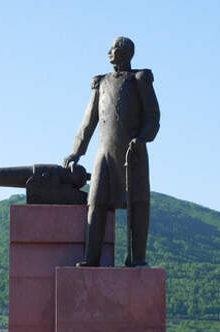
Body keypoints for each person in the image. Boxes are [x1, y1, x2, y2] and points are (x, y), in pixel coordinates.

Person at [63, 36, 160, 266]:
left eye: (113, 48)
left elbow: (153, 117)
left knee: (137, 206)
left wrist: (142, 138)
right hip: (104, 155)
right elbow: (89, 121)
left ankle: (137, 259)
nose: (109, 52)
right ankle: (91, 259)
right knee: (95, 204)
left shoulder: (140, 80)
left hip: (132, 153)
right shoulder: (102, 83)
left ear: (125, 52)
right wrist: (77, 151)